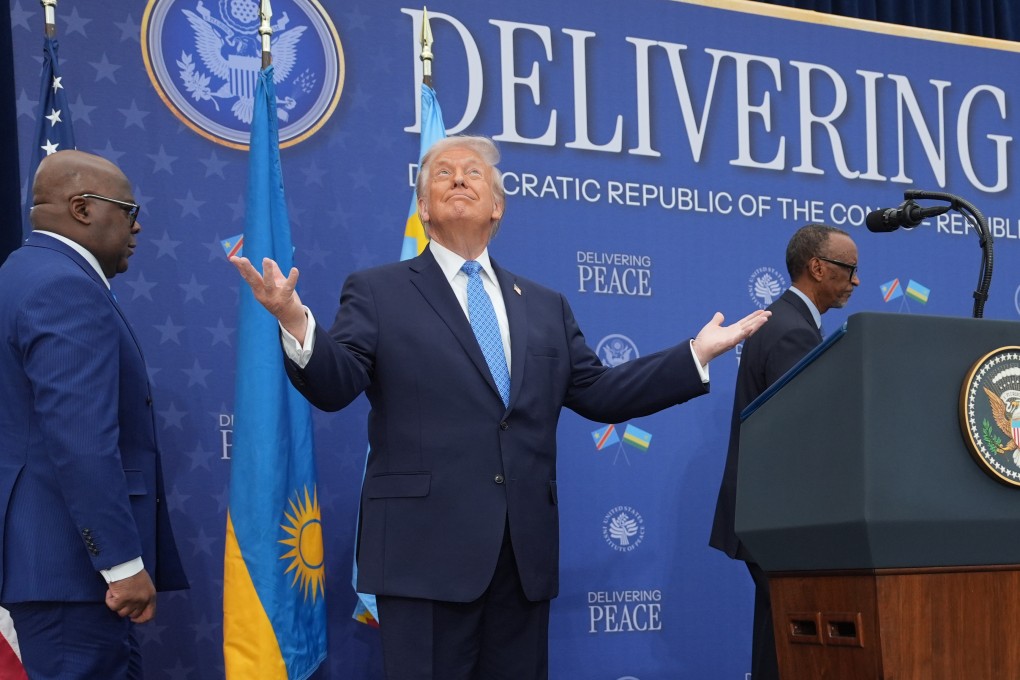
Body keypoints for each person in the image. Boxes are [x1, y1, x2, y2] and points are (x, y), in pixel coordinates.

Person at [232, 135, 770, 680]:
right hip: (424, 557)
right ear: (422, 207)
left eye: (473, 173)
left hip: (522, 558)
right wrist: (295, 321)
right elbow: (336, 383)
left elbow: (601, 393)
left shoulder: (544, 305)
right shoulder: (378, 291)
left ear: (497, 206)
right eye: (441, 173)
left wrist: (695, 354)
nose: (458, 178)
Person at [0, 150, 188, 679]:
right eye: (129, 210)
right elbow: (81, 440)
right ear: (82, 208)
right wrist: (122, 565)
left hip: (57, 572)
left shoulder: (21, 273)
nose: (138, 224)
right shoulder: (64, 288)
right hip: (74, 572)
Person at [709, 224, 859, 680]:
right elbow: (801, 436)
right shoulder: (794, 333)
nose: (856, 281)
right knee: (789, 651)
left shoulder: (783, 321)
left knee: (776, 647)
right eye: (849, 269)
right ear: (817, 267)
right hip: (783, 522)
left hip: (769, 520)